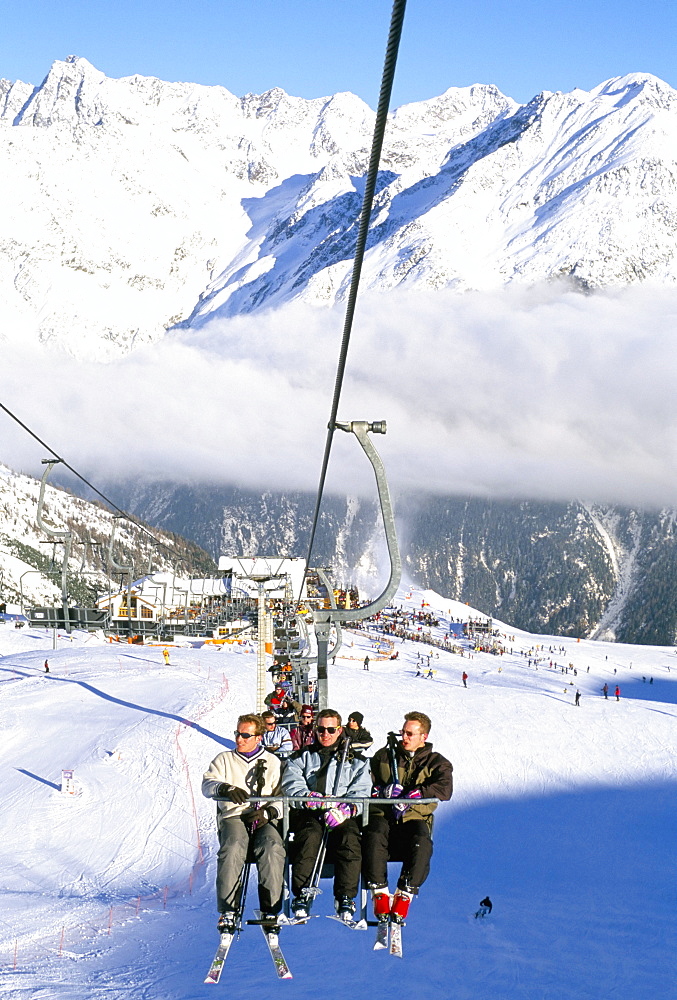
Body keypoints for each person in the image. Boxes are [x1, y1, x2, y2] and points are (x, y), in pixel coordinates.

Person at [362, 711, 453, 924]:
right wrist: (383, 791)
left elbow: (445, 787)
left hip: (413, 816)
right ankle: (380, 892)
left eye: (410, 734)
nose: (405, 738)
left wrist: (419, 793)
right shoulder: (385, 756)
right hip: (383, 813)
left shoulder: (436, 762)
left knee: (421, 841)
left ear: (424, 736)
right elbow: (366, 779)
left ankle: (406, 893)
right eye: (403, 732)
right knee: (373, 834)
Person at [282, 709, 372, 920]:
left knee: (350, 838)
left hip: (340, 813)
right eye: (321, 729)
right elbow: (291, 784)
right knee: (309, 835)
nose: (326, 734)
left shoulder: (355, 759)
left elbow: (362, 791)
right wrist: (308, 798)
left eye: (331, 729)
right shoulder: (301, 756)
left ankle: (345, 897)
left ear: (339, 730)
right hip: (310, 812)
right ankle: (302, 893)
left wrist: (348, 808)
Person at [202, 714, 285, 932]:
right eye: (238, 733)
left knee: (272, 847)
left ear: (258, 737)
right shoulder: (224, 759)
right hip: (235, 815)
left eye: (246, 735)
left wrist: (268, 813)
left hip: (262, 816)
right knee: (233, 846)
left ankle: (271, 908)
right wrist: (225, 789)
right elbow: (208, 783)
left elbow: (283, 797)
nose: (240, 739)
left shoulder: (273, 763)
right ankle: (228, 909)